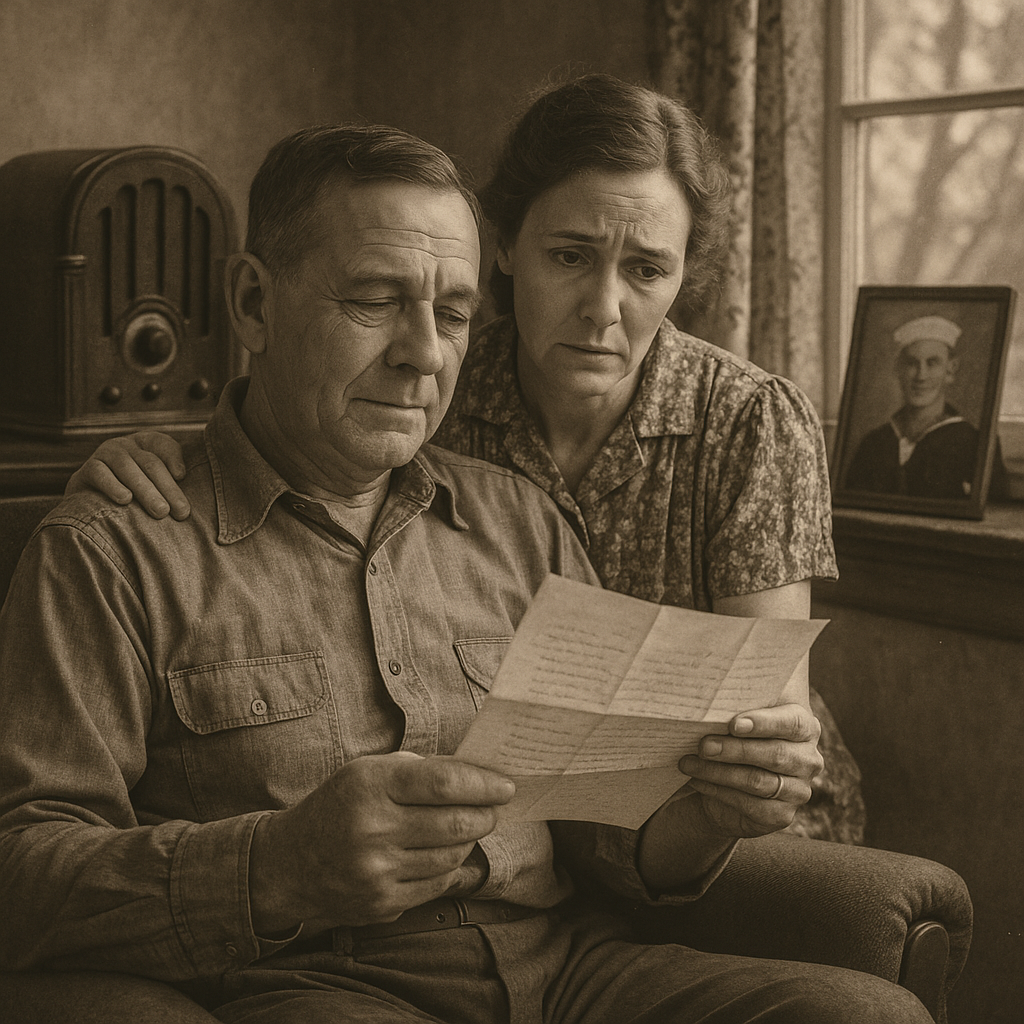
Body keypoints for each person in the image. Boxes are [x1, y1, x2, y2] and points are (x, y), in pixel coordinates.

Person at [0, 121, 931, 1024]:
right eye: (374, 300)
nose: (423, 354)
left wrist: (712, 814)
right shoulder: (113, 550)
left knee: (868, 1013)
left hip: (572, 971)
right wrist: (275, 866)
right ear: (251, 304)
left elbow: (606, 841)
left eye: (451, 315)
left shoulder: (523, 518)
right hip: (318, 983)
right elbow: (21, 871)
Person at [74, 75, 865, 845]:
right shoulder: (430, 387)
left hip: (728, 812)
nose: (603, 308)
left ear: (685, 273)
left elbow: (765, 707)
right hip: (536, 829)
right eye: (570, 256)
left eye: (648, 270)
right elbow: (295, 408)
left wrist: (739, 787)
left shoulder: (749, 418)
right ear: (508, 245)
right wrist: (163, 452)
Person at [844, 314, 1008, 499]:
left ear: (950, 370)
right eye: (912, 363)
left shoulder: (975, 445)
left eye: (932, 363)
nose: (921, 376)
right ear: (898, 369)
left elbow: (994, 508)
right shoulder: (874, 443)